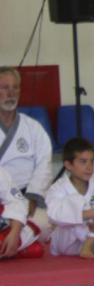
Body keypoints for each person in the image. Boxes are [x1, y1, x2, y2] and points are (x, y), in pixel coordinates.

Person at [0, 66, 53, 235]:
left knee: (44, 226)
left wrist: (33, 196)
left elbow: (44, 164)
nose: (11, 93)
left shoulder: (33, 128)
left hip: (26, 197)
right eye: (5, 87)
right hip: (1, 196)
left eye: (15, 87)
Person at [0, 167, 44, 259]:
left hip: (4, 225)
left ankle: (13, 246)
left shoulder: (1, 173)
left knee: (36, 250)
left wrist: (15, 233)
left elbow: (16, 201)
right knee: (35, 250)